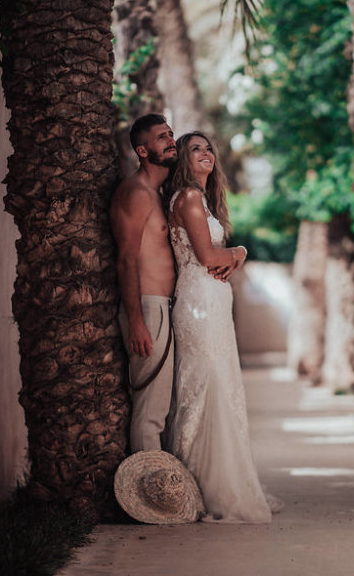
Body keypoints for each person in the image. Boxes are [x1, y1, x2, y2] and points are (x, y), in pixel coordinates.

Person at [165, 131, 273, 523]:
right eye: (195, 149)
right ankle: (200, 486)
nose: (206, 153)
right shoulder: (190, 198)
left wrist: (233, 256)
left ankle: (215, 482)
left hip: (212, 303)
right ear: (182, 160)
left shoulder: (203, 200)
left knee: (218, 385)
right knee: (204, 386)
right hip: (200, 305)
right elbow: (209, 257)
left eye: (208, 147)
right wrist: (240, 252)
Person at [111, 114, 178, 453]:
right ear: (142, 150)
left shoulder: (158, 194)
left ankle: (163, 491)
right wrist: (136, 320)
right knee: (150, 412)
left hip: (164, 309)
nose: (170, 140)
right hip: (148, 309)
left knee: (162, 410)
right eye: (161, 137)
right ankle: (147, 499)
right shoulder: (136, 193)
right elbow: (125, 260)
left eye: (170, 133)